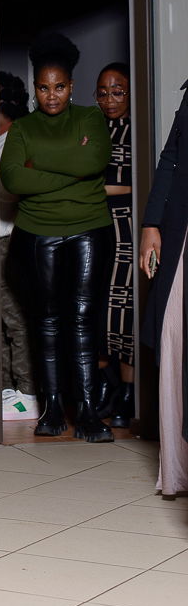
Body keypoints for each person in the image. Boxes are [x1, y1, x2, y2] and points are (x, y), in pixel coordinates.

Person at [2, 33, 114, 442]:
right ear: (35, 89)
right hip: (37, 233)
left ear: (72, 86)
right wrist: (74, 172)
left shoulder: (90, 119)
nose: (52, 96)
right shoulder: (23, 127)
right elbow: (14, 178)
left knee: (82, 319)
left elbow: (94, 159)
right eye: (44, 88)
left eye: (60, 87)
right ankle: (51, 410)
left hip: (89, 229)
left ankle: (87, 412)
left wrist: (40, 165)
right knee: (46, 321)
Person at [140, 78, 188, 496]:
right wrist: (151, 223)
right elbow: (171, 158)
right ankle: (180, 467)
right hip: (182, 232)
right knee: (175, 338)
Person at [94, 62, 135, 427]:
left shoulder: (139, 129)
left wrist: (89, 189)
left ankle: (127, 393)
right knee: (96, 308)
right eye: (103, 93)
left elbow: (138, 182)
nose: (110, 99)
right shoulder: (91, 128)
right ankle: (104, 386)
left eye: (118, 91)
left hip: (127, 230)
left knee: (123, 311)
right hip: (94, 227)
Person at [0, 72, 38, 421]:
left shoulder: (17, 140)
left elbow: (18, 190)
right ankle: (7, 390)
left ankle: (27, 393)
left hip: (9, 237)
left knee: (15, 317)